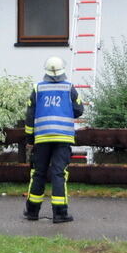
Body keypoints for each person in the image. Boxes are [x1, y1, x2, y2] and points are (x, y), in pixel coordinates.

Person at [23, 56, 84, 223]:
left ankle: (32, 211)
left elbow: (30, 116)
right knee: (59, 173)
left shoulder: (38, 88)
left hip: (42, 138)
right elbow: (79, 110)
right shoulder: (69, 88)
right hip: (63, 138)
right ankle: (60, 213)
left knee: (38, 173)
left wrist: (30, 138)